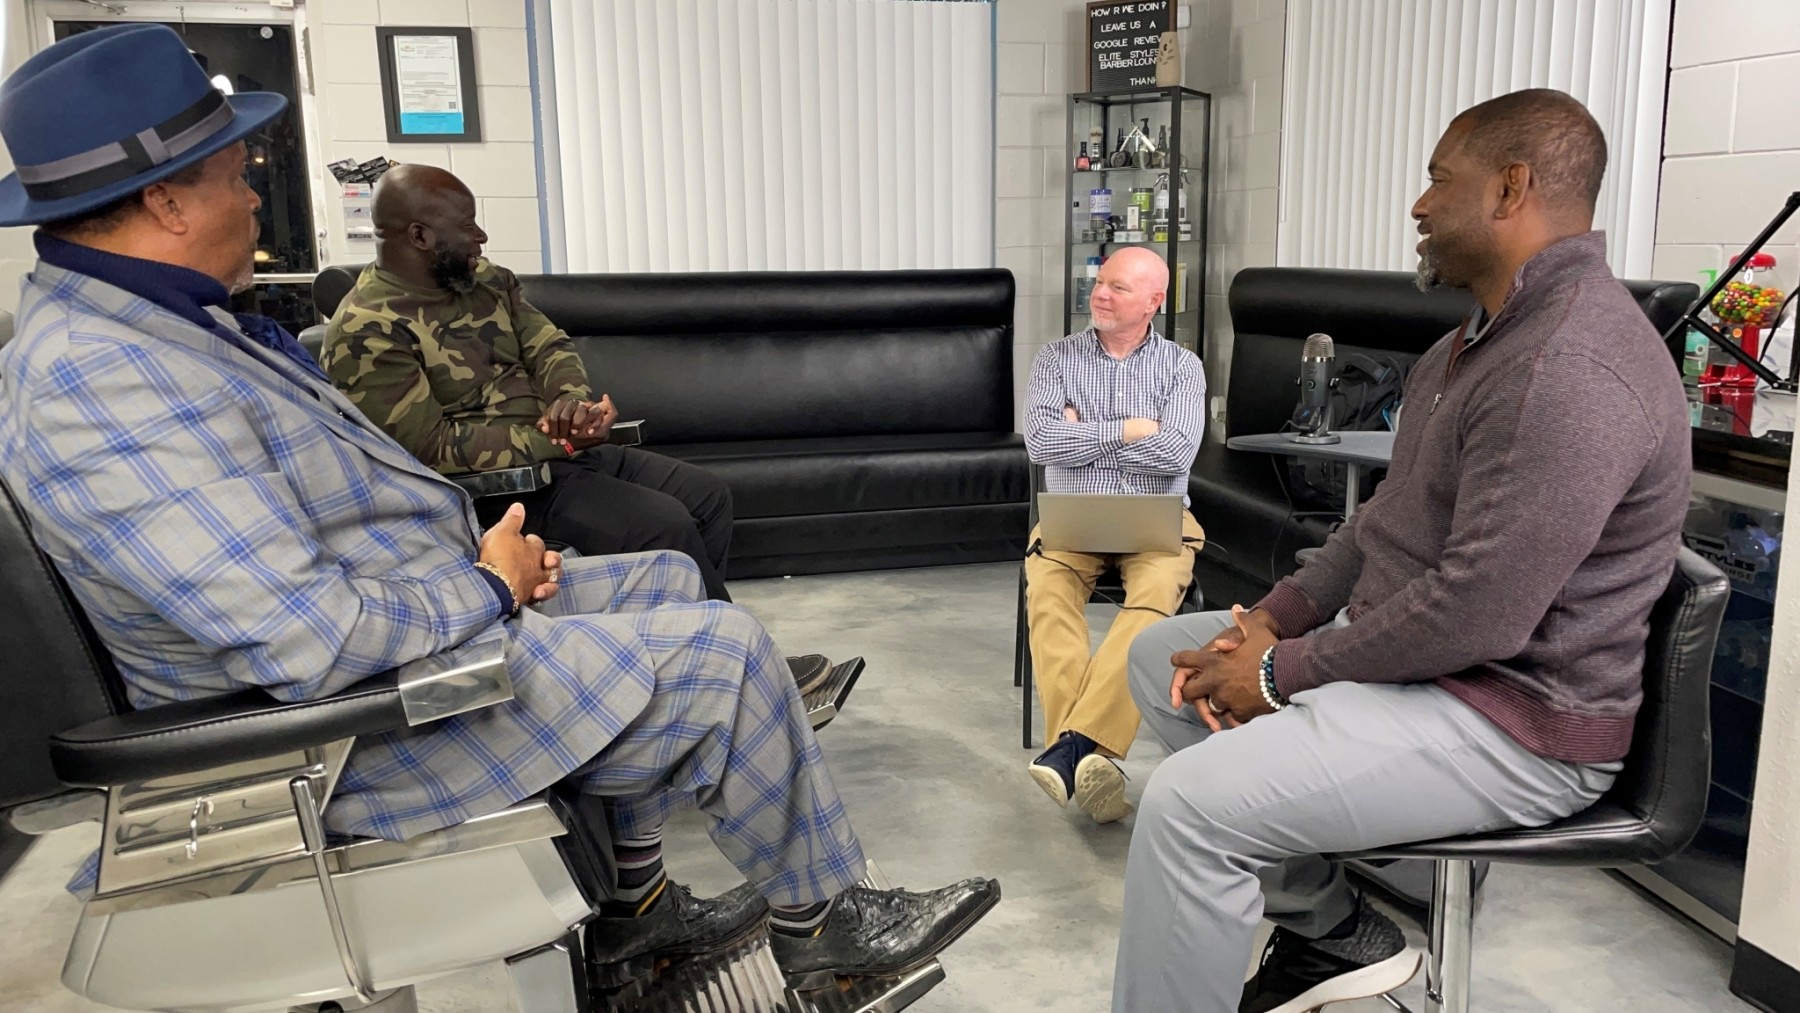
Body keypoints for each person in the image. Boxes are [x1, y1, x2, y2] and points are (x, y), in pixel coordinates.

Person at [0, 24, 997, 991]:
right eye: (235, 174)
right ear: (168, 201)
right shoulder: (105, 381)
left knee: (665, 573)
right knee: (726, 660)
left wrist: (490, 550)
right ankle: (826, 929)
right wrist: (484, 586)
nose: (256, 193)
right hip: (329, 735)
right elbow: (308, 639)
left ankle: (637, 912)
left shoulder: (155, 330)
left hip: (386, 646)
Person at [1112, 88, 1692, 1013]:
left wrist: (1280, 672)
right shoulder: (1475, 344)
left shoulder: (1566, 365)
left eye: (1438, 181)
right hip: (1438, 673)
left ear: (1510, 189)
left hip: (1512, 720)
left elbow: (1477, 612)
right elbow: (1382, 521)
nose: (1419, 206)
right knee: (1162, 659)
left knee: (1189, 807)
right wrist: (1274, 619)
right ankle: (1333, 933)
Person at [322, 164, 736, 602]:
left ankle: (692, 620)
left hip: (559, 458)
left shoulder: (488, 281)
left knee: (708, 497)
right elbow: (428, 448)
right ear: (420, 236)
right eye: (467, 226)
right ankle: (720, 636)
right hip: (497, 490)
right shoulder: (366, 329)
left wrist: (571, 404)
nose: (481, 237)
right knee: (663, 525)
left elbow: (548, 345)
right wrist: (561, 441)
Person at [1021, 246, 1207, 824]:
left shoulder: (1182, 367)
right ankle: (1093, 755)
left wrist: (1083, 433)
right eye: (1100, 282)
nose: (1099, 294)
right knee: (1048, 595)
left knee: (1152, 602)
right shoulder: (1055, 359)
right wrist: (1128, 430)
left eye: (1118, 287)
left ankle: (1072, 748)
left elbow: (1177, 452)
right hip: (1072, 515)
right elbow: (1041, 443)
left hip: (1158, 516)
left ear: (1155, 301)